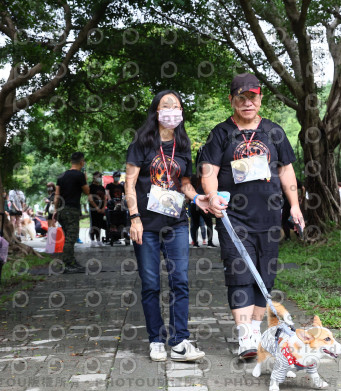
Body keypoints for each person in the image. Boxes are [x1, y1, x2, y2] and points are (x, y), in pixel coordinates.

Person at [199, 73, 304, 360]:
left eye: (253, 97)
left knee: (264, 276)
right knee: (239, 273)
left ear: (260, 99)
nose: (248, 103)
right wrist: (212, 196)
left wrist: (294, 205)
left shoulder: (274, 132)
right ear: (232, 100)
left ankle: (256, 330)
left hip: (270, 216)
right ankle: (245, 335)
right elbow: (207, 170)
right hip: (234, 217)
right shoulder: (221, 133)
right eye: (241, 98)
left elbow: (286, 170)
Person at [125, 90, 210, 362]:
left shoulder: (183, 144)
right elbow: (129, 182)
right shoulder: (141, 142)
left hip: (176, 223)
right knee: (150, 284)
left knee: (180, 281)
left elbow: (183, 182)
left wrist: (197, 198)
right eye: (166, 105)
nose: (171, 109)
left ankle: (179, 341)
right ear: (156, 110)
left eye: (176, 105)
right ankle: (155, 340)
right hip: (146, 224)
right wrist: (134, 217)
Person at [55, 152, 102, 273]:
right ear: (82, 162)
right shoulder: (79, 175)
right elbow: (87, 191)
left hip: (61, 210)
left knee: (68, 237)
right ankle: (67, 264)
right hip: (72, 210)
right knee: (71, 238)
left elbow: (56, 196)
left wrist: (56, 210)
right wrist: (85, 180)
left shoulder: (61, 176)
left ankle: (71, 260)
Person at [89, 171, 106, 247]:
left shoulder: (102, 187)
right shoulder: (91, 187)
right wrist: (96, 207)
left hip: (101, 209)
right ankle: (92, 240)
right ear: (94, 177)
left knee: (99, 224)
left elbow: (105, 198)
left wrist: (103, 208)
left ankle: (98, 240)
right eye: (98, 176)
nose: (99, 178)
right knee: (94, 224)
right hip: (93, 209)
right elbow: (90, 199)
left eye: (100, 176)